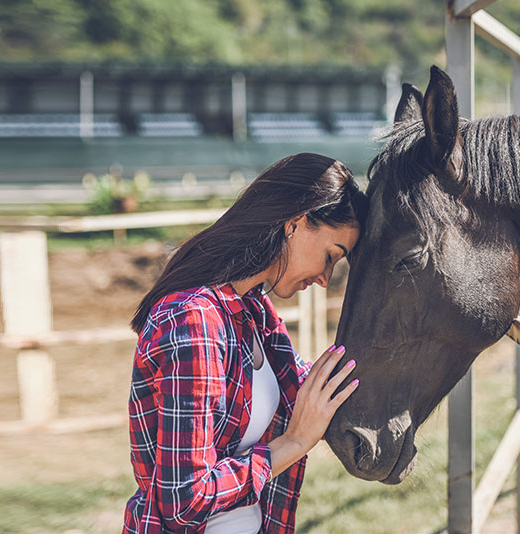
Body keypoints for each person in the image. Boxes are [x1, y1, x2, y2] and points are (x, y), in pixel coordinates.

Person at [124, 153, 369, 534]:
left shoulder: (253, 309)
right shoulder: (195, 320)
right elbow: (184, 499)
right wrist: (293, 443)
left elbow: (311, 395)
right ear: (296, 223)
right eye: (330, 256)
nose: (325, 278)